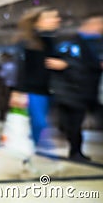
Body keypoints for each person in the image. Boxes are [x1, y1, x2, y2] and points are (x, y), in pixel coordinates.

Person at [48, 13, 103, 162]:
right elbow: (62, 63)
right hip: (72, 91)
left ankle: (76, 151)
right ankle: (75, 151)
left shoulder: (95, 43)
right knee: (73, 123)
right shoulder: (70, 42)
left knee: (76, 122)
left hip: (88, 90)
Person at [13, 6, 61, 148]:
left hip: (49, 90)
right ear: (37, 21)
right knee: (39, 123)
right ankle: (38, 154)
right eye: (50, 17)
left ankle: (31, 154)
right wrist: (18, 91)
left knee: (38, 126)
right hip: (31, 91)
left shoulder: (51, 41)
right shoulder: (26, 42)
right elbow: (21, 68)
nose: (56, 20)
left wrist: (63, 64)